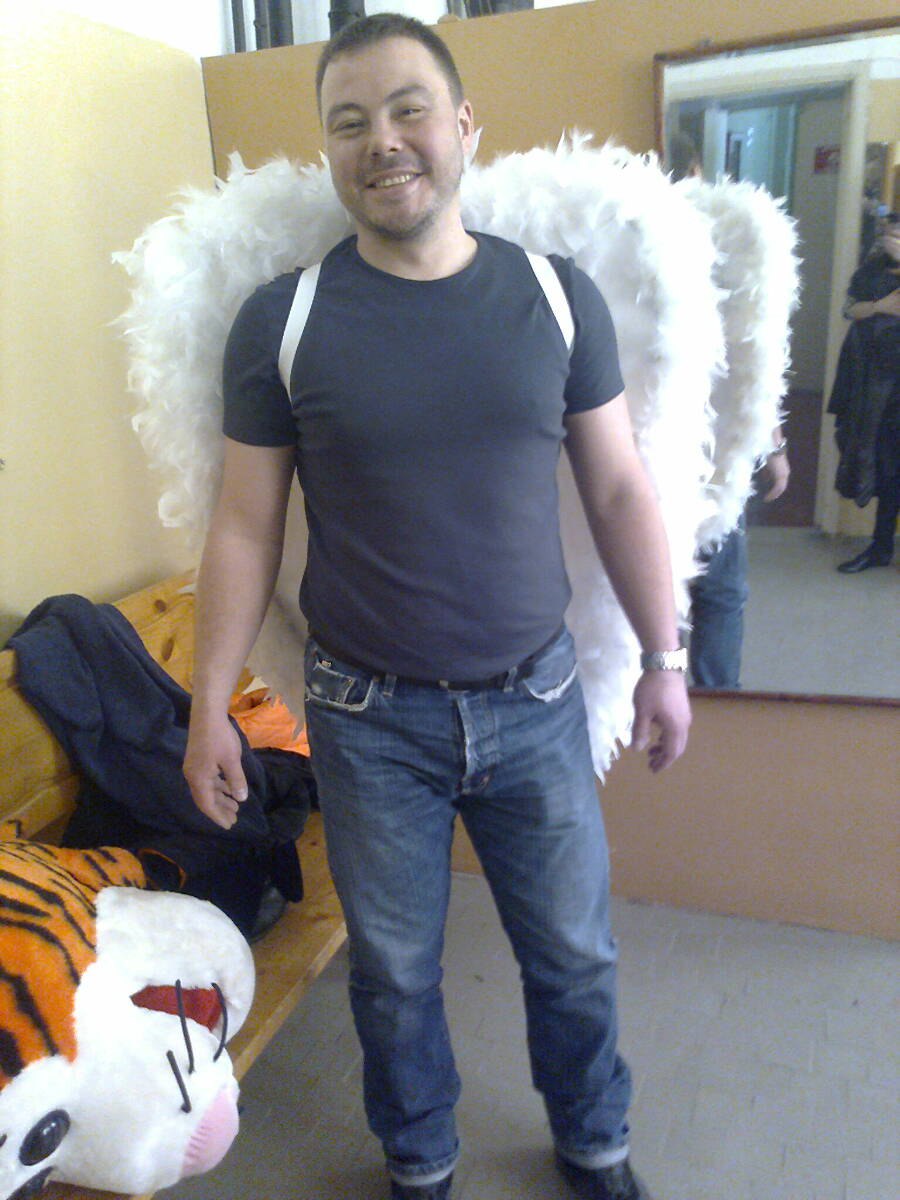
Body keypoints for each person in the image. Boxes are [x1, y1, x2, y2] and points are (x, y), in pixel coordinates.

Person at [184, 15, 691, 1200]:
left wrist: (665, 657)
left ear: (463, 125)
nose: (383, 140)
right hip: (368, 721)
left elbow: (621, 489)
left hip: (537, 704)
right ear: (329, 149)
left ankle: (595, 1144)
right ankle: (420, 1161)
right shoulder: (283, 321)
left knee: (574, 957)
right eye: (350, 121)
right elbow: (246, 525)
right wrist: (209, 703)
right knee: (397, 975)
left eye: (409, 109)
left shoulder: (556, 298)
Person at [666, 130, 791, 687]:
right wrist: (775, 447)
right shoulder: (732, 232)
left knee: (657, 584)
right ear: (695, 169)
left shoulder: (614, 232)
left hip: (649, 440)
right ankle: (716, 702)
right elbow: (753, 354)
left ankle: (660, 693)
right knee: (718, 590)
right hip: (710, 443)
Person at [829, 214, 900, 573]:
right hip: (875, 382)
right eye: (888, 234)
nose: (891, 241)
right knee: (885, 464)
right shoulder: (871, 270)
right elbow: (849, 308)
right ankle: (880, 547)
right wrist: (878, 307)